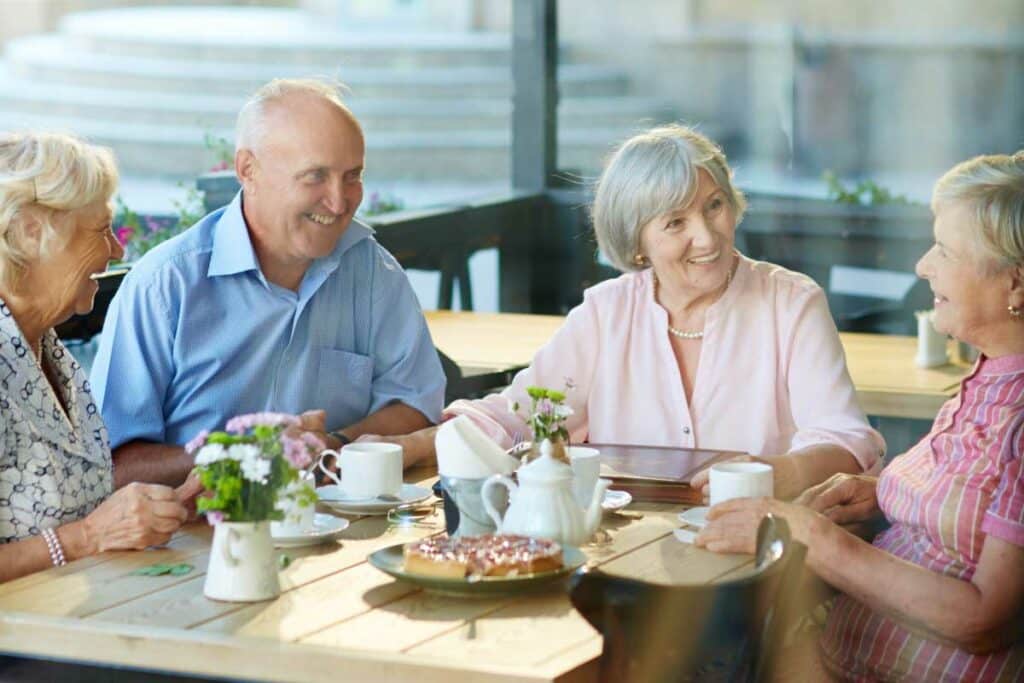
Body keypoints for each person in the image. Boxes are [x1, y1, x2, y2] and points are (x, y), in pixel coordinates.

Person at [384, 124, 884, 498]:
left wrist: (777, 474)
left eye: (714, 206)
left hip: (756, 543)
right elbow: (519, 416)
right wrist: (413, 447)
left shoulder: (791, 303)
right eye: (675, 222)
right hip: (622, 544)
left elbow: (844, 440)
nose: (707, 237)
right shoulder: (606, 313)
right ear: (638, 242)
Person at [696, 152, 1024, 681]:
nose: (923, 266)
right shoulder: (988, 378)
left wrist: (808, 535)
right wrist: (884, 497)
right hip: (839, 656)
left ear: (1015, 284)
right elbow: (972, 510)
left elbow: (983, 620)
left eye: (945, 250)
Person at [90, 79, 446, 488]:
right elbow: (112, 466)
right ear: (247, 170)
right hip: (198, 540)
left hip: (338, 529)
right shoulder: (163, 286)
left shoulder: (371, 269)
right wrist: (237, 452)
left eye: (352, 176)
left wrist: (332, 443)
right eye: (315, 177)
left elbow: (415, 401)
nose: (339, 201)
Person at [0, 131, 191, 581]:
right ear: (31, 232)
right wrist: (86, 537)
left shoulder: (52, 354)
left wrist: (170, 501)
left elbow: (83, 513)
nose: (117, 250)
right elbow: (84, 532)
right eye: (102, 230)